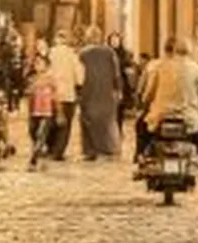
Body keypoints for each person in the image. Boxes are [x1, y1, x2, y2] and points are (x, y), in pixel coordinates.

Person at [140, 38, 198, 161]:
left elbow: (149, 93)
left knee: (141, 127)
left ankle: (140, 155)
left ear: (174, 50)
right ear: (190, 52)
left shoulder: (160, 67)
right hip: (188, 119)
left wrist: (146, 103)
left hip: (160, 118)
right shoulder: (196, 69)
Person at [77, 26, 122, 161]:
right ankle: (109, 149)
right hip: (106, 91)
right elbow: (116, 73)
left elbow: (79, 74)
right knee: (107, 121)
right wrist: (118, 89)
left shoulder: (82, 53)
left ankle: (90, 150)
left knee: (88, 120)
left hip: (88, 90)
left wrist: (78, 91)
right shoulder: (110, 53)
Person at [46, 30, 84, 161]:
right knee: (65, 125)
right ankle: (58, 151)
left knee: (51, 121)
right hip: (68, 94)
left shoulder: (50, 53)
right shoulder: (72, 55)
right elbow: (80, 76)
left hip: (51, 93)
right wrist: (78, 85)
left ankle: (50, 147)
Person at [26, 55, 58, 170]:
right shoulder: (32, 78)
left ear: (46, 65)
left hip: (46, 112)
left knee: (41, 134)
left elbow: (55, 96)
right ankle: (42, 155)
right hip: (34, 111)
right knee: (33, 133)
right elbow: (29, 94)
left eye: (40, 63)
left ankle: (33, 161)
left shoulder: (51, 79)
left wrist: (58, 111)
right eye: (36, 63)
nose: (38, 65)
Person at [107, 32, 136, 130]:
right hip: (109, 82)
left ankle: (119, 128)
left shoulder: (124, 54)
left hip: (121, 82)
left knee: (120, 108)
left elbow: (129, 66)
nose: (114, 42)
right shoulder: (106, 53)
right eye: (112, 40)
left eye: (116, 40)